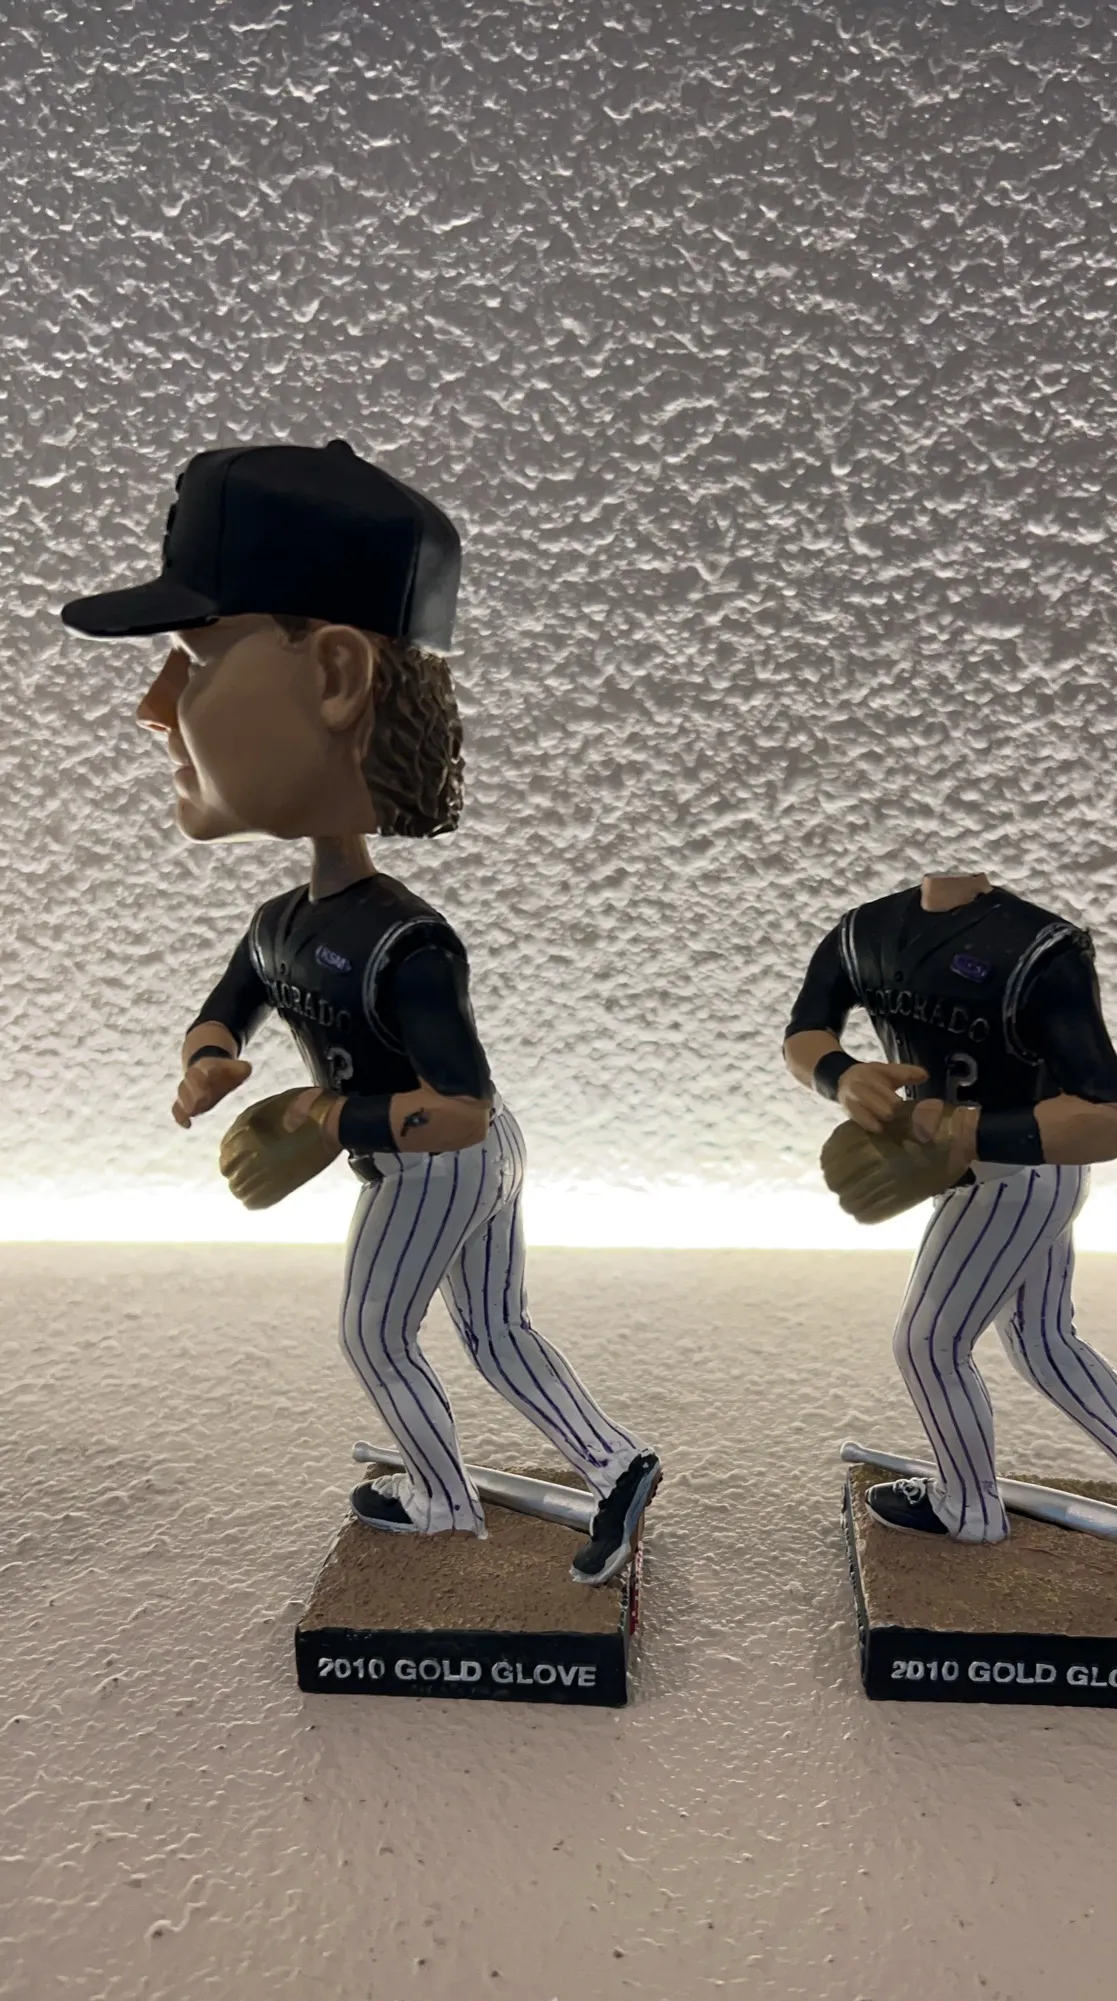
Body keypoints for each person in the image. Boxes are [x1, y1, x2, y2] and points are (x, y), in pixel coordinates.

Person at [61, 438, 660, 1582]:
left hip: (440, 1156)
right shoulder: (283, 919)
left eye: (194, 656)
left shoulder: (406, 941)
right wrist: (207, 1060)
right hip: (449, 1158)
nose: (152, 706)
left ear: (335, 675)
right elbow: (227, 1007)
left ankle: (440, 1500)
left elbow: (461, 1107)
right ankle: (616, 1463)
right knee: (493, 1329)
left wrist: (329, 1118)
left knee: (374, 1333)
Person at [784, 869, 1117, 1589]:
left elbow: (1107, 1121)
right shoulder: (868, 929)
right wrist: (839, 1072)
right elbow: (805, 1030)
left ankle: (967, 1507)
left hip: (1019, 1174)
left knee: (928, 1343)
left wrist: (968, 1129)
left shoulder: (1040, 947)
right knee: (1042, 1340)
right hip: (970, 1171)